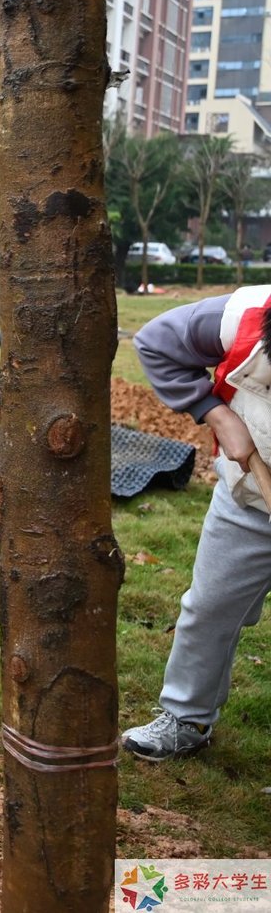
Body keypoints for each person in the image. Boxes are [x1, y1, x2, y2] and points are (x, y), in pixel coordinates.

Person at [122, 286, 271, 760]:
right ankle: (187, 718)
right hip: (248, 501)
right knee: (209, 607)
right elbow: (157, 342)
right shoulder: (246, 316)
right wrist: (215, 413)